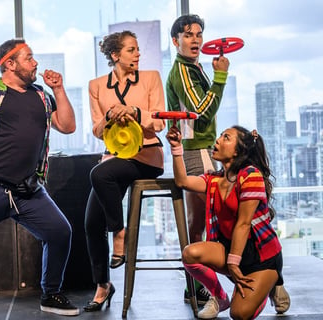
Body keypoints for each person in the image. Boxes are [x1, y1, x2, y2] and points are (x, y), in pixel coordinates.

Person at [166, 124, 290, 319]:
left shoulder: (251, 176)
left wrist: (233, 265)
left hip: (260, 257)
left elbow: (244, 223)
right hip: (232, 249)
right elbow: (182, 182)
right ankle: (220, 297)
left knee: (239, 314)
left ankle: (269, 285)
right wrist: (176, 147)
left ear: (238, 151)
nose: (218, 140)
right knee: (190, 254)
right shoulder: (214, 180)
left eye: (226, 137)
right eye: (221, 136)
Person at [0, 39, 79, 316]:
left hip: (28, 190)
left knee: (60, 232)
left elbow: (67, 126)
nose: (35, 64)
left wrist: (59, 89)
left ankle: (51, 294)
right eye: (29, 58)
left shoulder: (41, 95)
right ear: (10, 64)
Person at [83, 30, 165, 312]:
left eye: (138, 49)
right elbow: (96, 130)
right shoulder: (96, 86)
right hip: (115, 157)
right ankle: (103, 286)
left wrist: (133, 111)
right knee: (92, 223)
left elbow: (160, 121)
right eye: (131, 50)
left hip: (147, 155)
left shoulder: (151, 77)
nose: (138, 54)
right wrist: (109, 115)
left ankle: (120, 233)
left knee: (98, 174)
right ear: (115, 55)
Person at [166, 13, 230, 305]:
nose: (195, 40)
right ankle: (204, 283)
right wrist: (220, 76)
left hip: (201, 148)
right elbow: (202, 110)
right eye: (188, 35)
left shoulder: (193, 67)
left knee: (198, 220)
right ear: (175, 40)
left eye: (199, 35)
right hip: (195, 149)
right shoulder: (182, 71)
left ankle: (195, 284)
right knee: (206, 216)